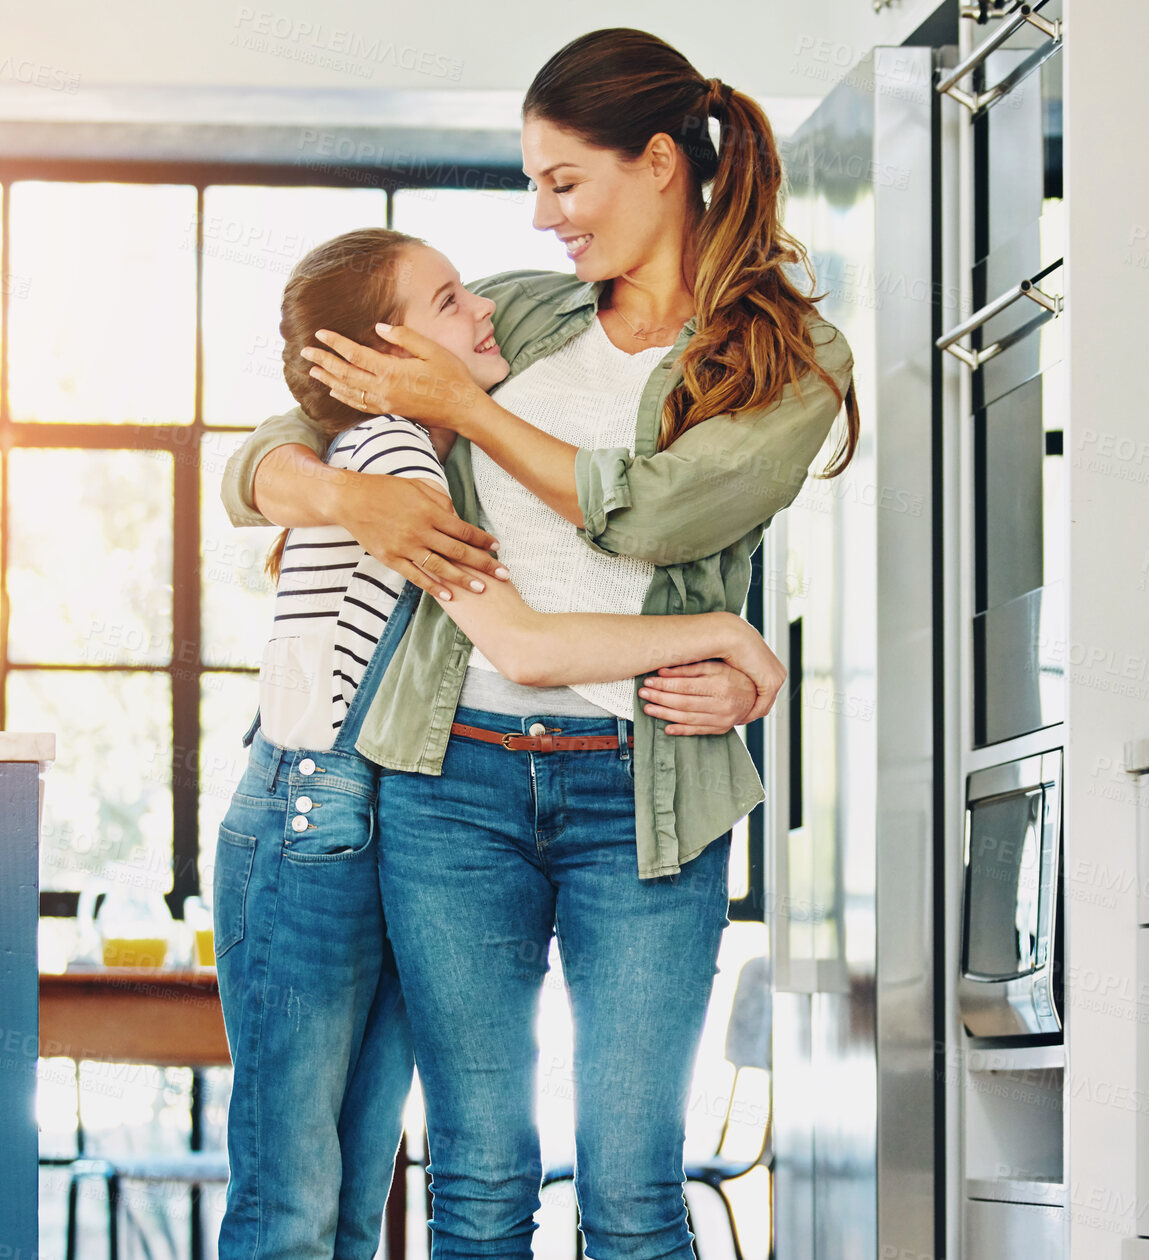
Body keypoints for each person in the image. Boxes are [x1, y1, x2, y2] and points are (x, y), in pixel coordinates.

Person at [221, 27, 859, 1259]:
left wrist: (462, 411)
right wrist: (358, 499)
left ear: (661, 163)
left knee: (630, 1185)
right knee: (475, 1177)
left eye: (564, 182)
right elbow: (277, 444)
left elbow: (655, 504)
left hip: (648, 791)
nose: (542, 218)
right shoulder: (518, 315)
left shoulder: (791, 357)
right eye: (533, 185)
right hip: (449, 781)